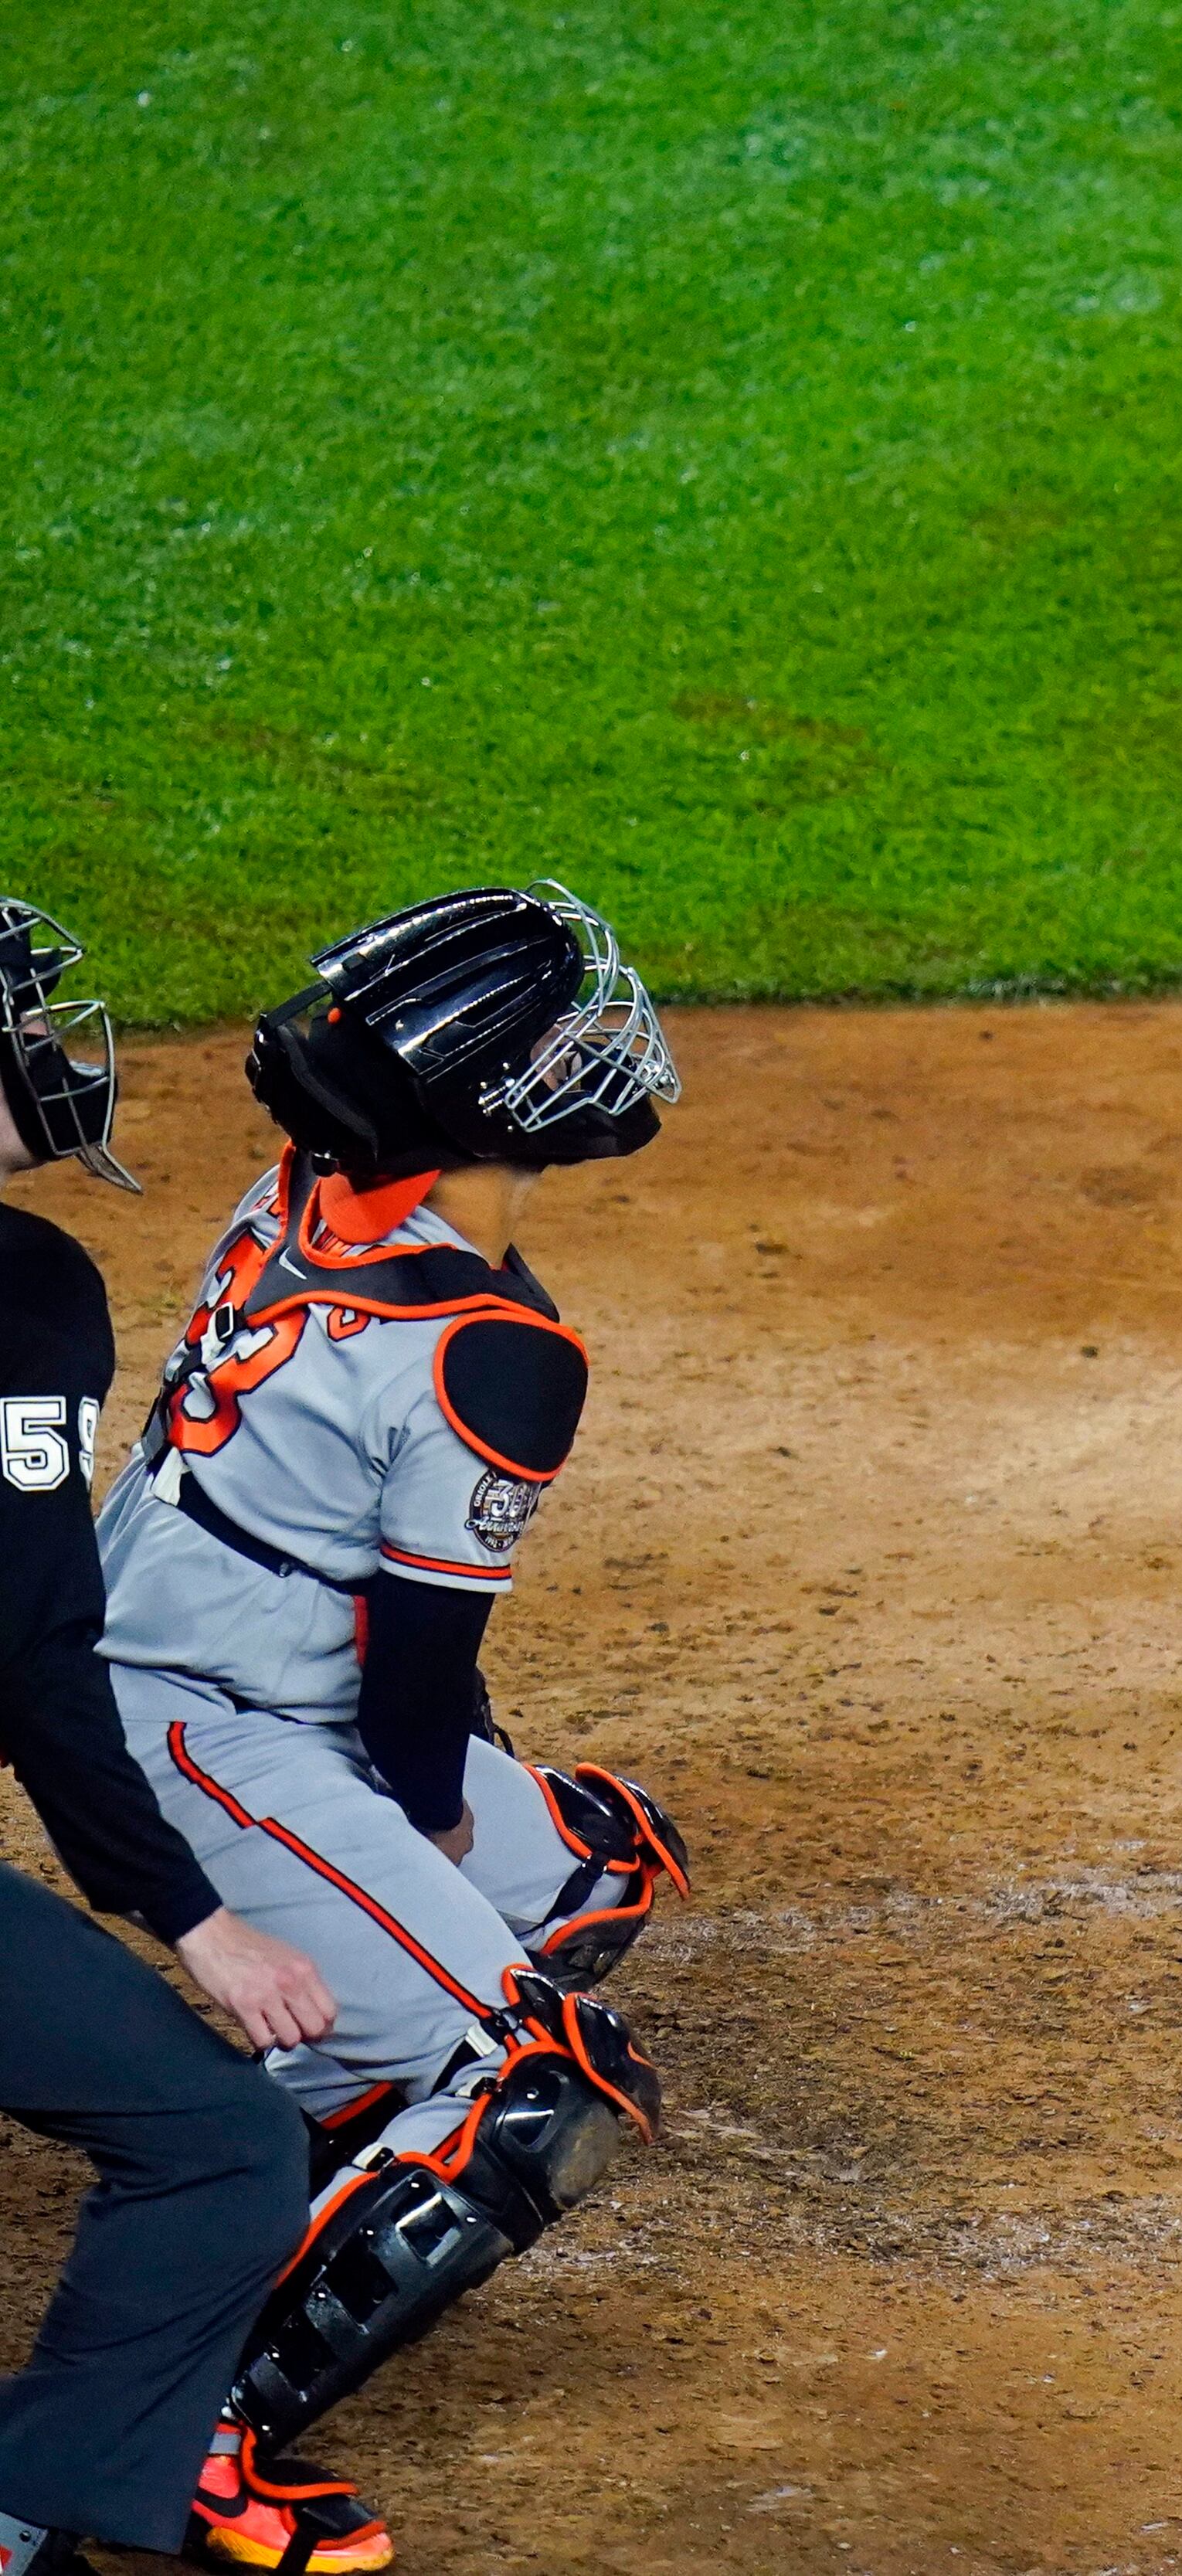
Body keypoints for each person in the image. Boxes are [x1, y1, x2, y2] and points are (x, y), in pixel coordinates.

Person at [102, 883, 690, 2498]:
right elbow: (420, 1689)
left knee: (597, 1859)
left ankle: (331, 2100)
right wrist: (415, 1833)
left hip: (222, 1647)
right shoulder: (500, 1354)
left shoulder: (318, 1182)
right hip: (204, 1721)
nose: (595, 1045)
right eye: (556, 1034)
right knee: (535, 2082)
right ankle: (181, 2418)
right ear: (484, 1100)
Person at [0, 897, 394, 2575]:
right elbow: (24, 1650)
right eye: (15, 1022)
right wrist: (192, 1912)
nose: (49, 1050)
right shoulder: (18, 1298)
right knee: (223, 2141)